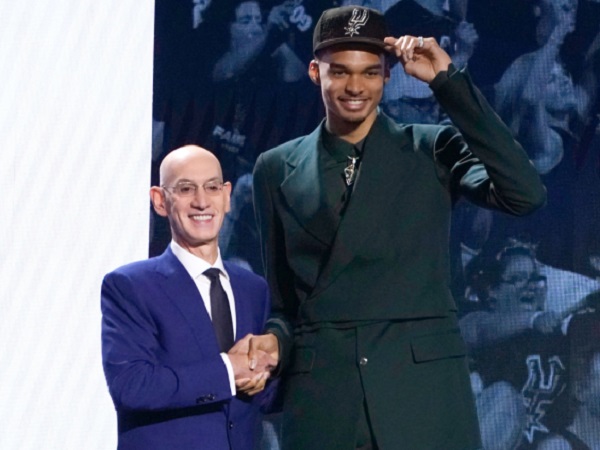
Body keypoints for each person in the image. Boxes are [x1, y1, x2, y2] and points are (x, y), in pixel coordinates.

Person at [249, 5, 546, 449]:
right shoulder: (274, 169)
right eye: (340, 72)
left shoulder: (433, 147)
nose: (355, 87)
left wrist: (449, 85)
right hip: (325, 399)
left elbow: (524, 194)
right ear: (315, 72)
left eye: (370, 72)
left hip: (420, 394)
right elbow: (286, 304)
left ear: (388, 76)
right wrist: (274, 341)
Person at [101, 145, 276, 449]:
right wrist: (227, 370)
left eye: (211, 187)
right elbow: (132, 386)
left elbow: (264, 396)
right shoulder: (130, 286)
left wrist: (270, 369)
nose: (201, 201)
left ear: (226, 196)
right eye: (185, 188)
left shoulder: (253, 288)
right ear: (160, 200)